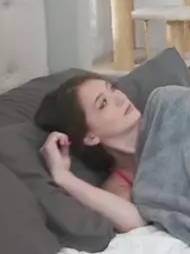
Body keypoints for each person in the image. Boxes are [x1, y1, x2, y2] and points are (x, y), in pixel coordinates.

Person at [33, 72, 146, 233]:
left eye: (113, 88)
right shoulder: (119, 184)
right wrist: (63, 176)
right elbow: (135, 221)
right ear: (90, 137)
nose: (120, 98)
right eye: (103, 103)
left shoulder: (165, 115)